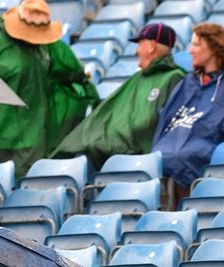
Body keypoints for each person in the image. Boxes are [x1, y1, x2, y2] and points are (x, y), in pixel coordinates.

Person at [0, 0, 98, 177]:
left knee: (28, 187)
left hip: (33, 131)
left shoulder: (46, 47)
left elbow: (68, 68)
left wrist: (82, 78)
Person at [150, 22, 224, 201]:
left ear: (213, 48)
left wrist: (216, 126)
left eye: (196, 44)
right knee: (156, 157)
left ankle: (189, 210)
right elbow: (168, 118)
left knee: (184, 156)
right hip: (177, 144)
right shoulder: (189, 82)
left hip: (211, 144)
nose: (190, 50)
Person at [51, 23, 186, 169]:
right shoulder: (139, 77)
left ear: (152, 46)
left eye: (140, 44)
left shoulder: (174, 77)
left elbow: (153, 123)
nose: (136, 51)